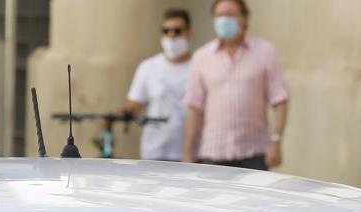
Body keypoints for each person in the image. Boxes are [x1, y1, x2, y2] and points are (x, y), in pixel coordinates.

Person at [181, 0, 288, 170]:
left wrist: (276, 141)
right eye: (219, 15)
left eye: (230, 15)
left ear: (244, 18)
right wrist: (187, 154)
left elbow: (280, 99)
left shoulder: (265, 52)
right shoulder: (202, 56)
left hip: (254, 154)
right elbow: (194, 108)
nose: (224, 20)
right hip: (213, 153)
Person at [123, 8, 194, 162]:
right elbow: (134, 104)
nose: (171, 35)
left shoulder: (199, 65)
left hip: (190, 154)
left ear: (188, 32)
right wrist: (123, 113)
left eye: (177, 30)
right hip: (154, 153)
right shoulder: (148, 67)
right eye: (166, 31)